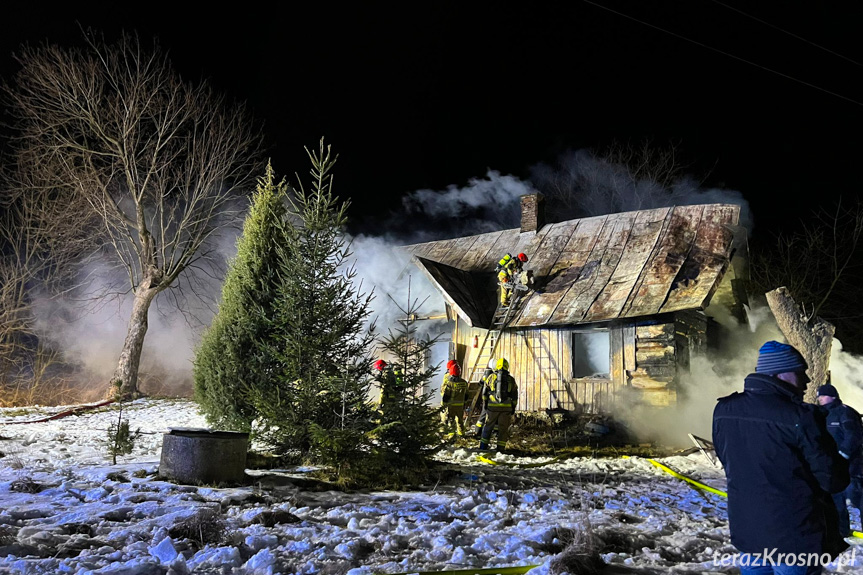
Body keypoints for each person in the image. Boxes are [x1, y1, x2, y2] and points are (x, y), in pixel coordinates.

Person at [712, 341, 849, 574]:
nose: (806, 381)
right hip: (795, 536)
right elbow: (832, 480)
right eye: (799, 372)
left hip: (748, 532)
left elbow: (727, 461)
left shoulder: (724, 410)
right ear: (779, 374)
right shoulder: (801, 417)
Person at [816, 383, 863, 538]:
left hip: (850, 466)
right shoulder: (820, 415)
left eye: (823, 395)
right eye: (819, 396)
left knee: (856, 497)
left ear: (833, 396)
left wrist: (843, 454)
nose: (820, 399)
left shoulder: (844, 413)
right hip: (832, 467)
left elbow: (854, 436)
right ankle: (841, 532)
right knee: (836, 500)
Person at [479, 358, 518, 452]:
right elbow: (515, 396)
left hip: (492, 408)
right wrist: (513, 408)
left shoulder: (491, 377)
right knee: (503, 430)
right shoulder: (511, 379)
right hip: (506, 409)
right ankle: (500, 450)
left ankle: (483, 448)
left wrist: (485, 404)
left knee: (488, 427)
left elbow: (484, 392)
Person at [441, 360, 468, 437]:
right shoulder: (464, 382)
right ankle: (461, 435)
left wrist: (443, 405)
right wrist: (464, 403)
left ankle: (451, 436)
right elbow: (466, 395)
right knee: (460, 421)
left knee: (451, 421)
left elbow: (446, 395)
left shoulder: (449, 383)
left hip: (451, 405)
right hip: (460, 406)